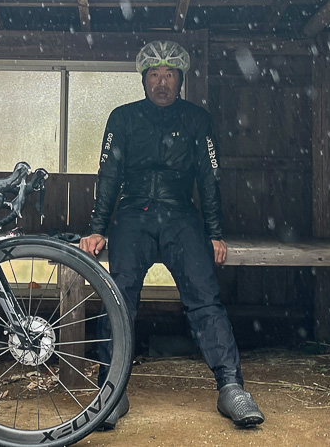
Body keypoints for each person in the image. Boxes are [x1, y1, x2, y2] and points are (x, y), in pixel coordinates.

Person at [81, 40, 264, 429]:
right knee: (120, 294)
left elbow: (209, 179)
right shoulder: (123, 118)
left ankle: (231, 387)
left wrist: (214, 232)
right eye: (154, 75)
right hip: (133, 215)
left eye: (169, 75)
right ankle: (110, 389)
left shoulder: (197, 120)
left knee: (204, 297)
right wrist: (98, 229)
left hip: (182, 216)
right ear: (143, 80)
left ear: (180, 80)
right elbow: (108, 176)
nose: (161, 82)